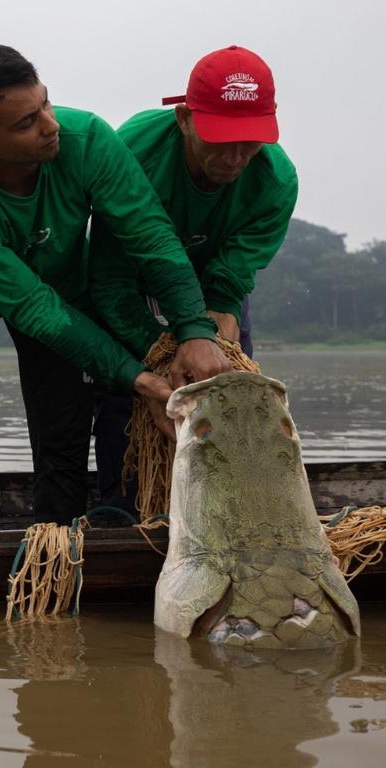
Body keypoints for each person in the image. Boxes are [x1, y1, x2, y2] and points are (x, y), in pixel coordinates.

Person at [0, 42, 231, 533]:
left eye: (45, 103)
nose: (49, 125)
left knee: (60, 466)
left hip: (62, 290)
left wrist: (193, 329)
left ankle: (59, 552)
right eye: (25, 123)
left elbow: (148, 236)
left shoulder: (86, 138)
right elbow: (32, 309)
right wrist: (138, 377)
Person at [90, 45, 298, 511]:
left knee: (225, 387)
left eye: (250, 141)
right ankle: (125, 510)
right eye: (220, 139)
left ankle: (230, 506)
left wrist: (215, 316)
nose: (236, 158)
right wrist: (160, 353)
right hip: (135, 279)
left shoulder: (276, 181)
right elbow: (110, 278)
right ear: (184, 119)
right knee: (128, 392)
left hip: (212, 282)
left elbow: (234, 271)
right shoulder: (131, 153)